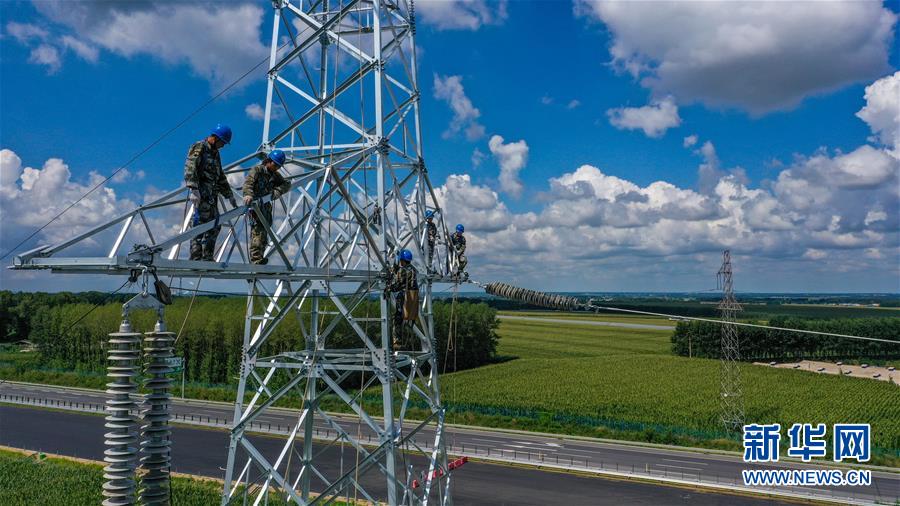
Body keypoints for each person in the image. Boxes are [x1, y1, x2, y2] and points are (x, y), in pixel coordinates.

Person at [184, 124, 237, 261]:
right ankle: (195, 256)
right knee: (199, 224)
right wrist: (193, 188)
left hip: (212, 195)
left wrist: (229, 195)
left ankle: (207, 256)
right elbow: (191, 166)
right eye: (222, 143)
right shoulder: (200, 147)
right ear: (215, 138)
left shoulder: (215, 153)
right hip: (201, 193)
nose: (223, 146)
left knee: (215, 225)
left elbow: (220, 176)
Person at [242, 149, 290, 265]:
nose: (276, 168)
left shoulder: (274, 175)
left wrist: (278, 191)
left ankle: (260, 257)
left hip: (266, 208)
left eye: (278, 166)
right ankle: (256, 259)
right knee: (257, 232)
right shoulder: (257, 170)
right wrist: (248, 194)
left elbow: (287, 184)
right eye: (275, 165)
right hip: (255, 207)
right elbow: (248, 183)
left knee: (264, 234)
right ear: (268, 161)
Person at [387, 249, 418, 348]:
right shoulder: (413, 270)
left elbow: (396, 285)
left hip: (404, 296)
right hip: (412, 297)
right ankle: (407, 339)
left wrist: (388, 287)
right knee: (409, 317)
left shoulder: (402, 270)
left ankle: (397, 340)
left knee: (397, 318)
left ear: (402, 260)